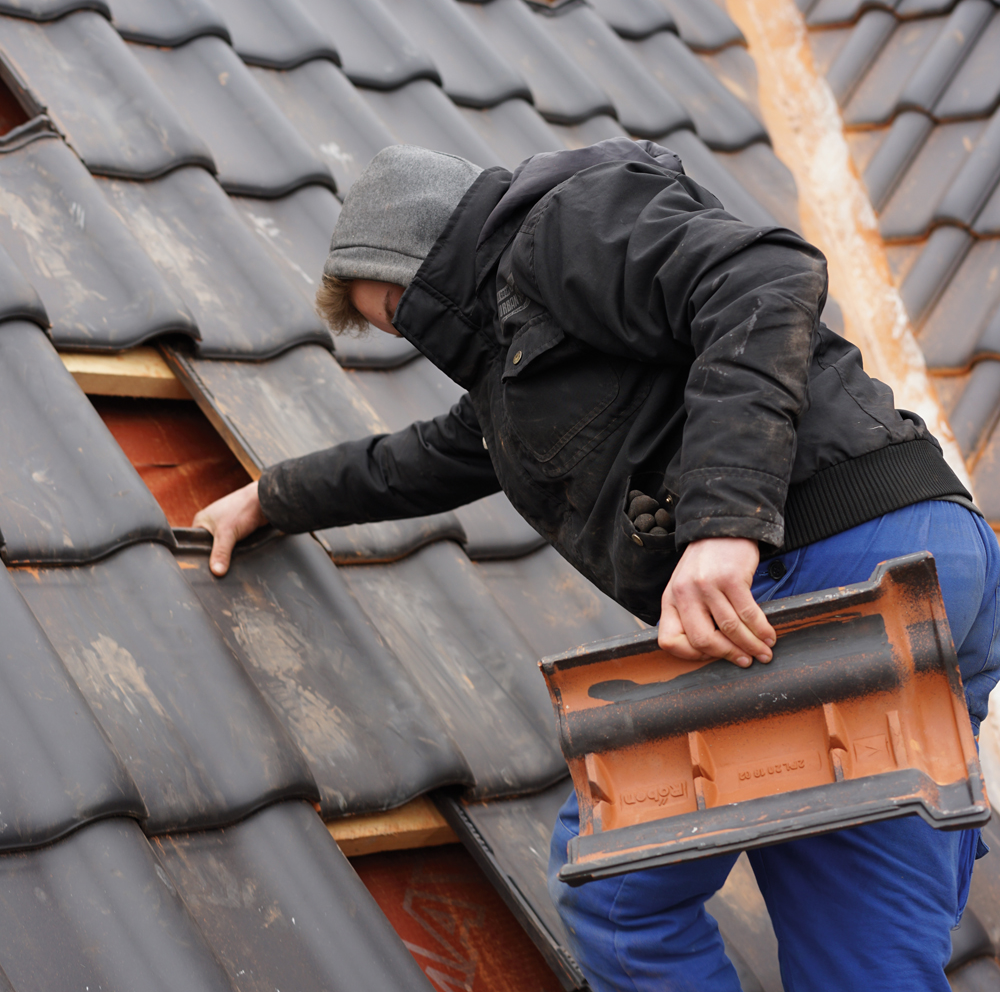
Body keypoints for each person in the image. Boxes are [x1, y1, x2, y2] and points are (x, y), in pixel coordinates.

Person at [195, 141, 1000, 991]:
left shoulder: (559, 229)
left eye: (398, 310)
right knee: (864, 962)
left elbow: (764, 274)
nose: (411, 337)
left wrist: (726, 522)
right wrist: (269, 497)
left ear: (423, 263)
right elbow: (413, 461)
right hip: (929, 557)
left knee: (615, 885)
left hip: (830, 563)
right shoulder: (518, 381)